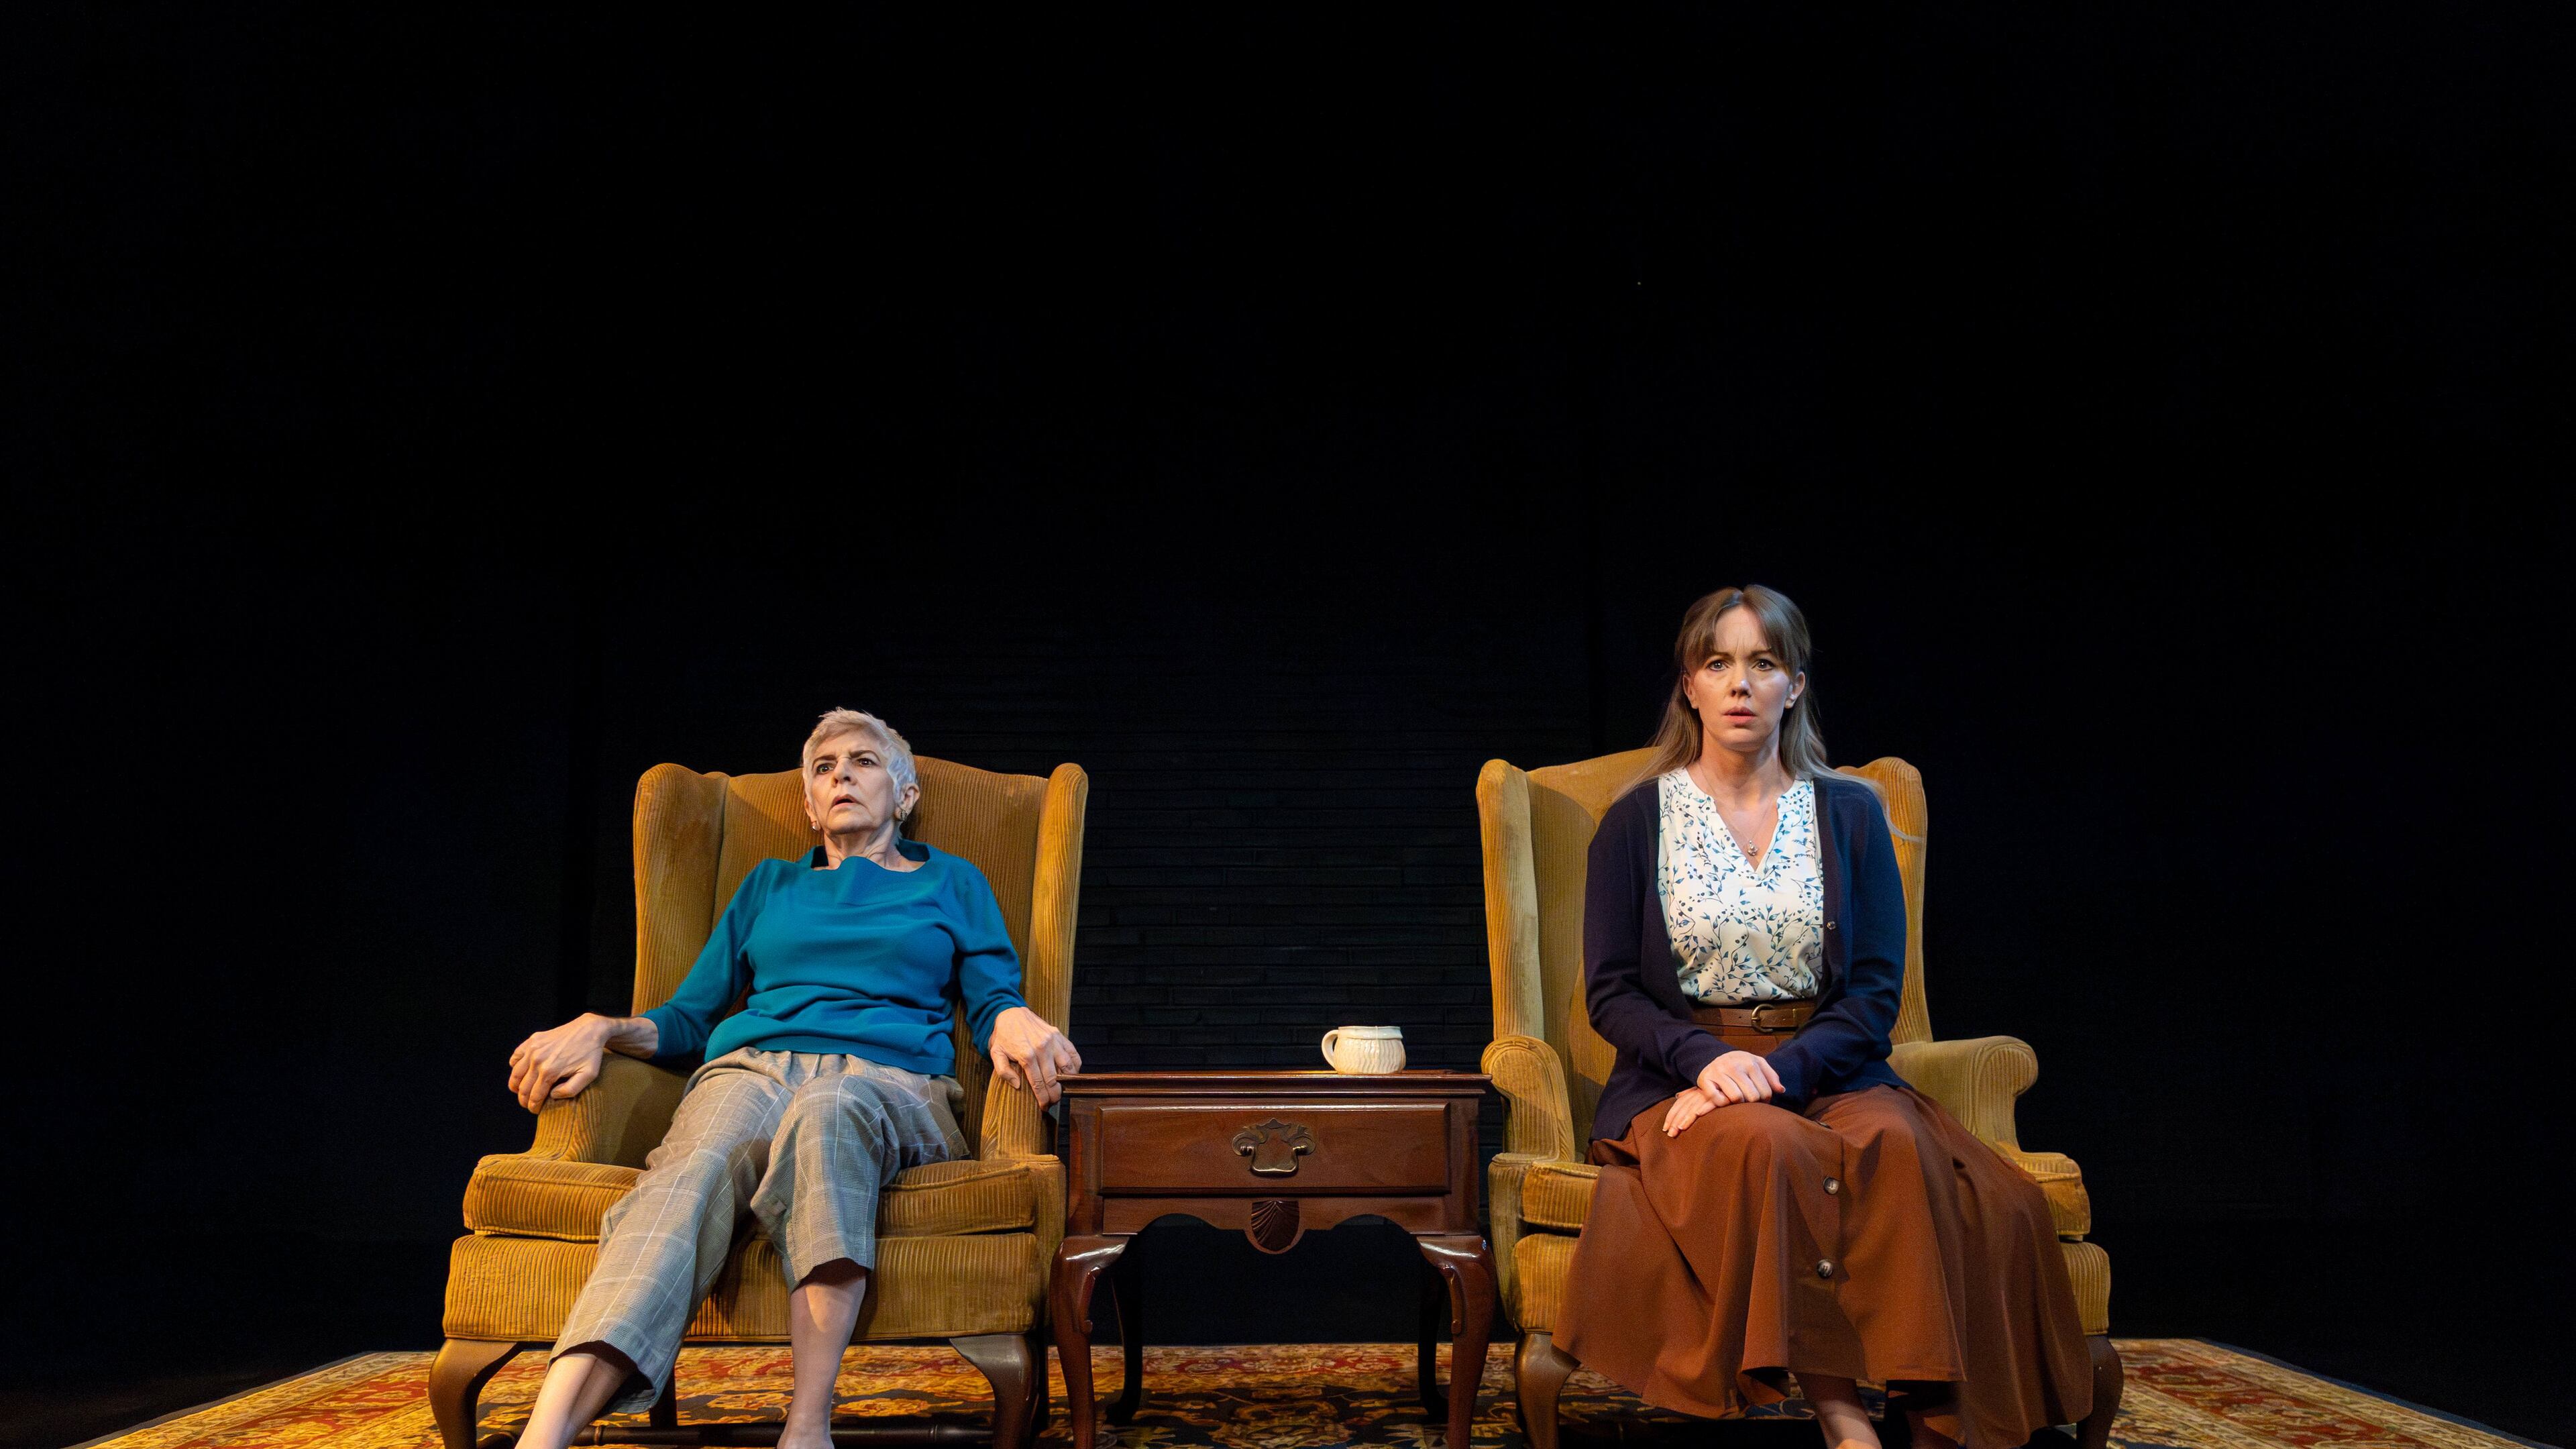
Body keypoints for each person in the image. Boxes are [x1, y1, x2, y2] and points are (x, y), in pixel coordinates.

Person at [1556, 587, 2091, 1449]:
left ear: (1794, 685)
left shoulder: (1848, 812)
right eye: (1719, 663)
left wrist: (1777, 1073)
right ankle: (1845, 1420)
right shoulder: (1635, 820)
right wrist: (1704, 1062)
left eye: (1763, 664)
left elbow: (1876, 994)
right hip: (1682, 1075)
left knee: (1902, 1145)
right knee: (1771, 1145)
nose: (1740, 684)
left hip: (1828, 1063)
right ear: (1689, 685)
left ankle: (1932, 1414)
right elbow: (1612, 991)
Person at [502, 709, 1082, 1449]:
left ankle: (806, 1427)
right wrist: (603, 1027)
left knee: (828, 1105)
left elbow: (994, 993)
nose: (842, 774)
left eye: (865, 762)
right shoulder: (767, 886)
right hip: (751, 1068)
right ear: (809, 805)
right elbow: (688, 1017)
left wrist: (1012, 1018)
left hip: (890, 1080)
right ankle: (544, 1437)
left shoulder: (952, 883)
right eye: (825, 766)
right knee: (688, 1174)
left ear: (905, 795)